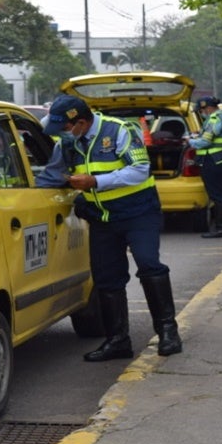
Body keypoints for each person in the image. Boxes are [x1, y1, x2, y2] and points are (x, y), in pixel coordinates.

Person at [35, 94, 182, 360]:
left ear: (80, 122)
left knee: (149, 266)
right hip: (102, 218)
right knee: (106, 278)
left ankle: (168, 332)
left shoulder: (120, 130)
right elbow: (50, 177)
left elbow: (140, 169)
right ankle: (117, 341)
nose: (62, 135)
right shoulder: (67, 143)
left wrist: (95, 181)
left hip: (139, 213)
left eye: (65, 128)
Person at [189, 96, 222, 238]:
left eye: (202, 110)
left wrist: (189, 141)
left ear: (208, 107)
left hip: (214, 160)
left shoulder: (214, 119)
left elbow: (205, 142)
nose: (202, 113)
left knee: (218, 196)